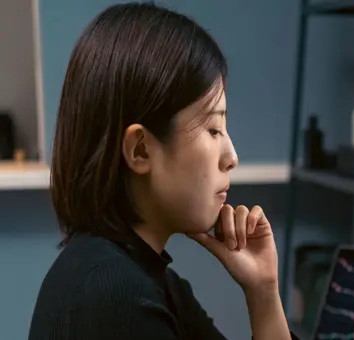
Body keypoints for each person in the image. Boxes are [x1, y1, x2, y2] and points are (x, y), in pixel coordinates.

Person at [28, 3, 293, 339]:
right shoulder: (114, 297)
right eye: (213, 130)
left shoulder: (147, 276)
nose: (232, 157)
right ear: (140, 149)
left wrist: (263, 292)